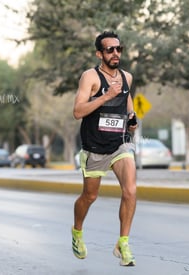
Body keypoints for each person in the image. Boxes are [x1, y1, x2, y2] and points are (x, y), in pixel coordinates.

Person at [71, 31, 138, 267]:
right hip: (94, 146)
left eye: (118, 49)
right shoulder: (90, 77)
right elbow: (78, 111)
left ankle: (123, 243)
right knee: (90, 196)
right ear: (100, 53)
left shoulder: (127, 77)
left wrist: (132, 118)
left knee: (130, 190)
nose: (116, 53)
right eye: (110, 49)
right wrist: (105, 96)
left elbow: (128, 105)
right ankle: (77, 232)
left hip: (119, 144)